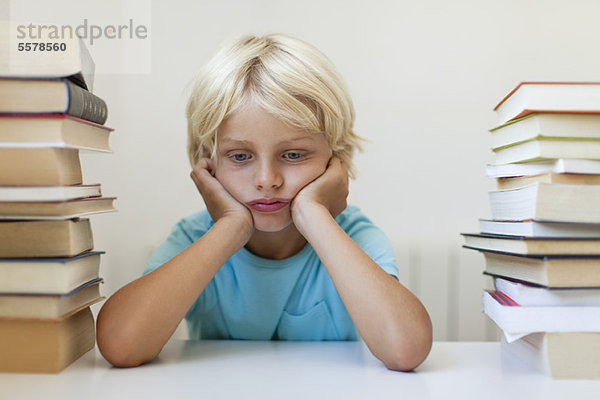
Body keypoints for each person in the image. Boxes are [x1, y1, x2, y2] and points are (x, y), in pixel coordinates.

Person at [96, 33, 432, 371]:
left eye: (293, 154)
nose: (267, 179)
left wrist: (313, 214)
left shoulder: (354, 236)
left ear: (335, 159)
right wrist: (231, 227)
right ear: (208, 163)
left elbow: (405, 349)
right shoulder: (194, 237)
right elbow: (121, 345)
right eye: (240, 156)